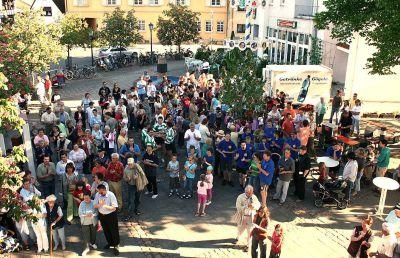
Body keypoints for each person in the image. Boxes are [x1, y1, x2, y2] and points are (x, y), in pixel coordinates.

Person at [93, 184, 120, 256]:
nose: (99, 193)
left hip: (111, 215)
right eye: (98, 192)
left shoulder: (111, 195)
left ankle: (116, 245)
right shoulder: (97, 194)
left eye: (101, 192)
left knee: (114, 230)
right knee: (106, 230)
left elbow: (114, 208)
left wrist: (104, 206)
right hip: (102, 215)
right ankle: (110, 243)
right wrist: (100, 204)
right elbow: (95, 205)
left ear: (105, 190)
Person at [233, 185, 261, 252]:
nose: (249, 194)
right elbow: (238, 207)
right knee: (240, 228)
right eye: (248, 193)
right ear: (245, 191)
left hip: (251, 217)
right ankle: (238, 237)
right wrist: (246, 206)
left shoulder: (254, 197)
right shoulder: (240, 197)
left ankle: (248, 245)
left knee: (250, 232)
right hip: (242, 216)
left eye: (251, 192)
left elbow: (258, 205)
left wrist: (253, 206)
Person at [79, 191, 98, 256]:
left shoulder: (94, 202)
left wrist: (93, 215)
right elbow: (80, 213)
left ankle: (92, 243)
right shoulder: (82, 203)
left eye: (87, 198)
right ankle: (86, 248)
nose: (86, 200)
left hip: (93, 221)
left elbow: (97, 212)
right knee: (85, 235)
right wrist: (85, 215)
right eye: (84, 198)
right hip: (85, 222)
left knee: (93, 233)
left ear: (90, 197)